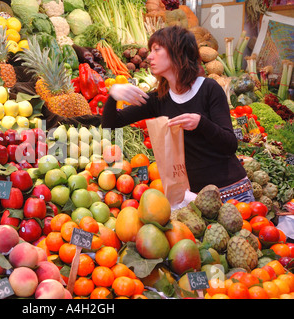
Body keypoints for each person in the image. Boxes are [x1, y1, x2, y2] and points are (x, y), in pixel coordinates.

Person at [101, 25, 254, 203]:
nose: (149, 56)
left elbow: (230, 145)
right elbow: (111, 124)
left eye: (156, 50)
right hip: (195, 200)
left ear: (177, 52)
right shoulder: (159, 99)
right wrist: (113, 96)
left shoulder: (209, 89)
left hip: (232, 194)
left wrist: (201, 123)